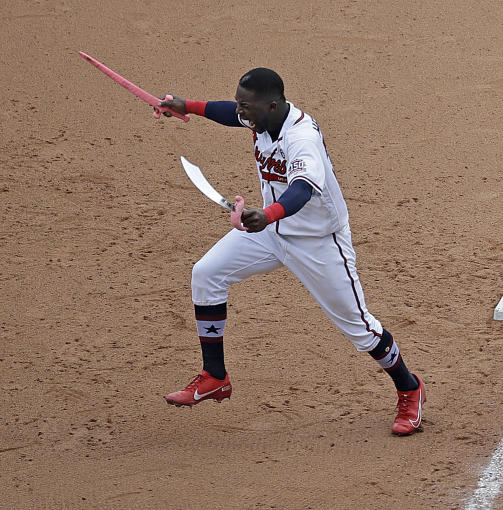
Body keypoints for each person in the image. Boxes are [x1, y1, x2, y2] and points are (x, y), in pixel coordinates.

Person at [157, 68, 425, 435]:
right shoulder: (262, 117)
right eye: (240, 104)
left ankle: (409, 387)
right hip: (270, 230)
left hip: (317, 241)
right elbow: (225, 112)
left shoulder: (301, 139)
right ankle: (215, 376)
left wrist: (266, 215)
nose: (241, 112)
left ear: (272, 105)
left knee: (360, 330)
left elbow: (301, 189)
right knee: (206, 274)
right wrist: (184, 105)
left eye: (247, 107)